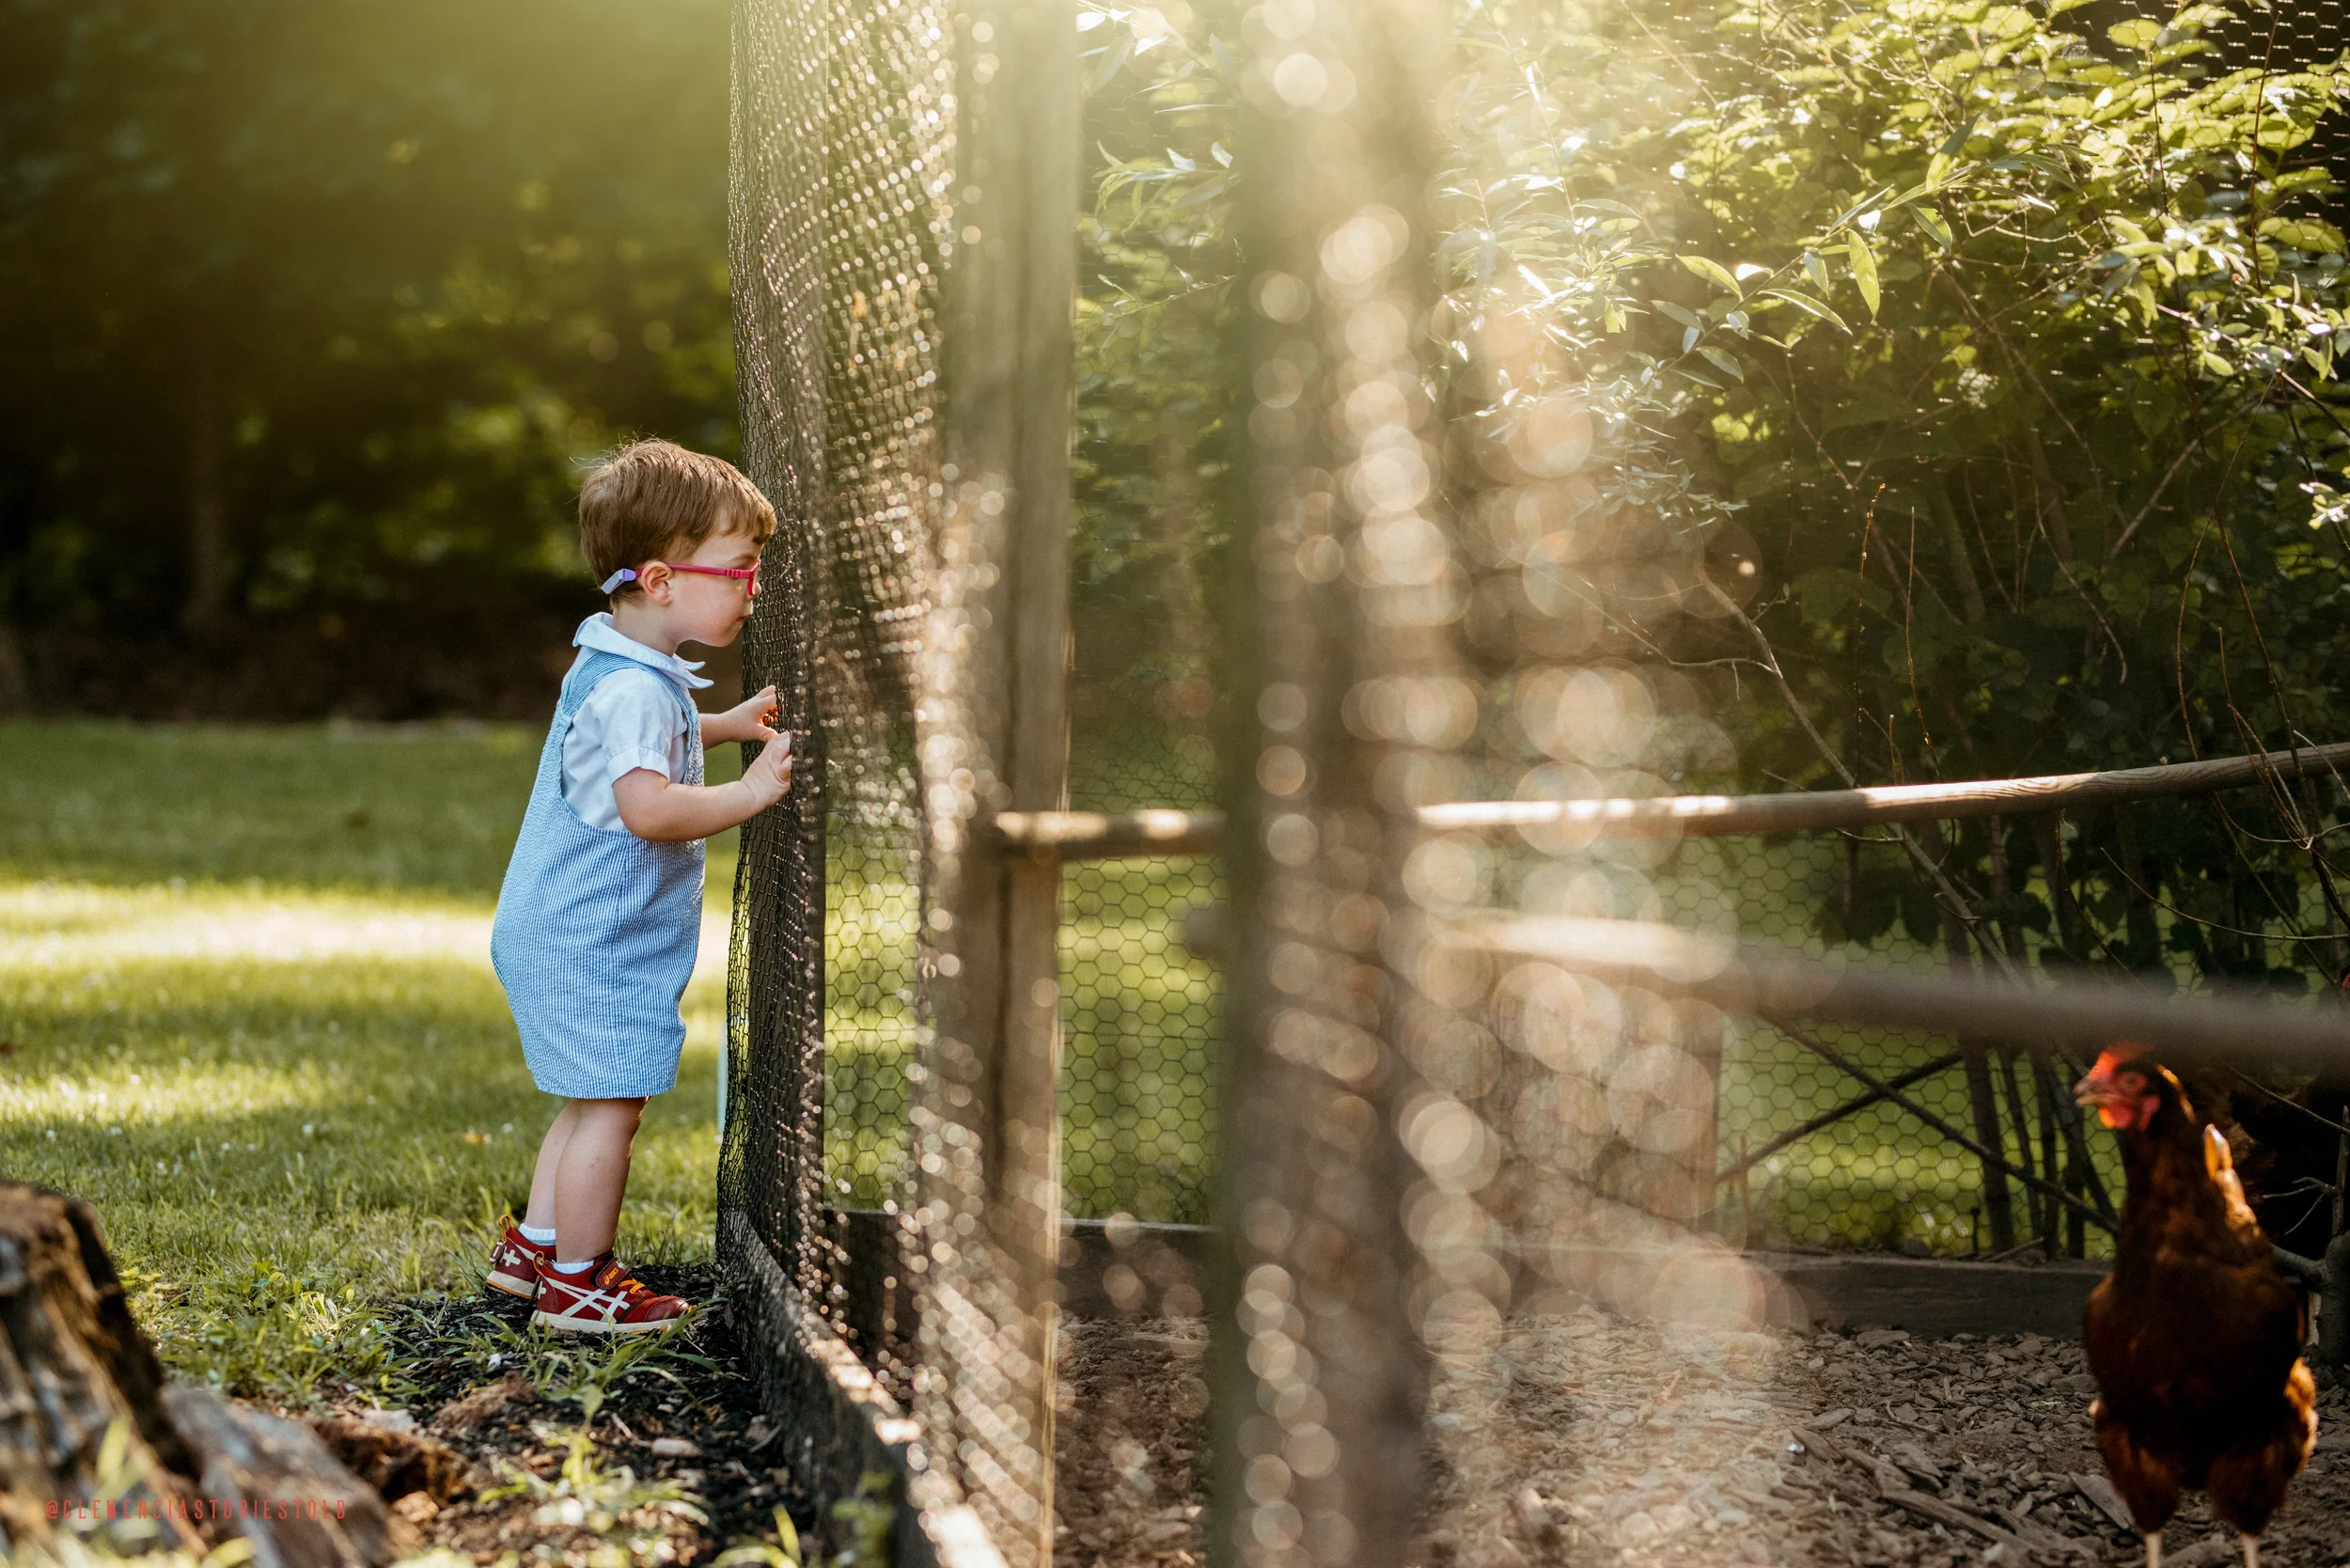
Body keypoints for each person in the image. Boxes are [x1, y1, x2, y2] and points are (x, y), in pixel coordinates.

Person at [483, 438, 791, 1334]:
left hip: (564, 931)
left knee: (590, 1099)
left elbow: (654, 729)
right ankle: (581, 1283)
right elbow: (650, 807)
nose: (753, 587)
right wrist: (750, 789)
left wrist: (725, 721)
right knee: (613, 1109)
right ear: (662, 581)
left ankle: (535, 1249)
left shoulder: (621, 663)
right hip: (588, 942)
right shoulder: (633, 694)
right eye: (739, 569)